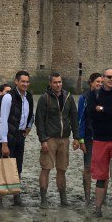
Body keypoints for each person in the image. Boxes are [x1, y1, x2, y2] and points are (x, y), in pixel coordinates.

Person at [34, 71, 79, 207]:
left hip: (64, 138)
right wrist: (43, 140)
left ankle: (63, 199)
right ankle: (43, 199)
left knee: (62, 169)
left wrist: (76, 138)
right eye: (55, 82)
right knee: (46, 168)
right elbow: (39, 120)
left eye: (59, 82)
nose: (58, 84)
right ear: (50, 83)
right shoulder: (44, 98)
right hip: (50, 138)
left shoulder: (68, 97)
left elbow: (74, 118)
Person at [88, 68, 112, 218]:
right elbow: (92, 113)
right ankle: (98, 208)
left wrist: (102, 109)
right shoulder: (94, 94)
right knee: (100, 176)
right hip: (99, 140)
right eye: (109, 77)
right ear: (102, 78)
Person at [0, 70, 34, 208]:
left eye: (27, 81)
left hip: (20, 135)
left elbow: (30, 115)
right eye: (22, 81)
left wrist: (28, 128)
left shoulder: (28, 97)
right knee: (4, 166)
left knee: (18, 168)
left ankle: (16, 197)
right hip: (8, 136)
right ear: (16, 81)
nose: (25, 84)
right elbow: (3, 120)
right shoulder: (8, 97)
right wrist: (4, 142)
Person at [77, 72, 103, 202]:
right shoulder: (84, 98)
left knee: (103, 168)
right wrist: (80, 139)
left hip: (102, 137)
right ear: (91, 83)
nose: (99, 84)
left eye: (101, 82)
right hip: (89, 137)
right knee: (87, 167)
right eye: (97, 82)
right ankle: (87, 196)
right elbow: (80, 119)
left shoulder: (106, 97)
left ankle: (101, 197)